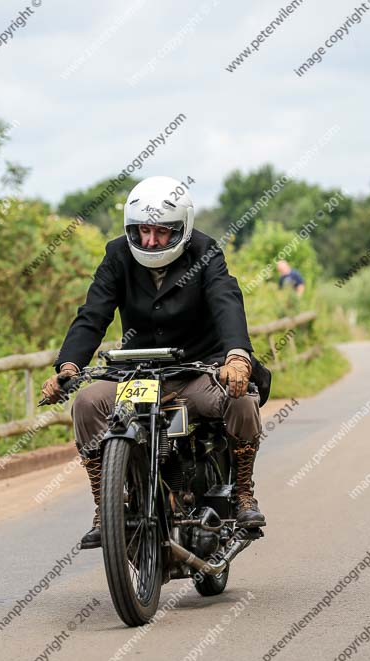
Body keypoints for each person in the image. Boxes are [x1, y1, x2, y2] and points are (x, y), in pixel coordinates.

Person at [42, 176, 271, 549]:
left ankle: (243, 492)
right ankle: (106, 508)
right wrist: (68, 366)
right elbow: (92, 315)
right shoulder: (117, 255)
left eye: (161, 232)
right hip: (137, 374)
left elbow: (226, 299)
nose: (150, 241)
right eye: (143, 230)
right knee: (86, 403)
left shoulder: (205, 252)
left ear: (182, 228)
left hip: (198, 371)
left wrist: (236, 357)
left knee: (240, 400)